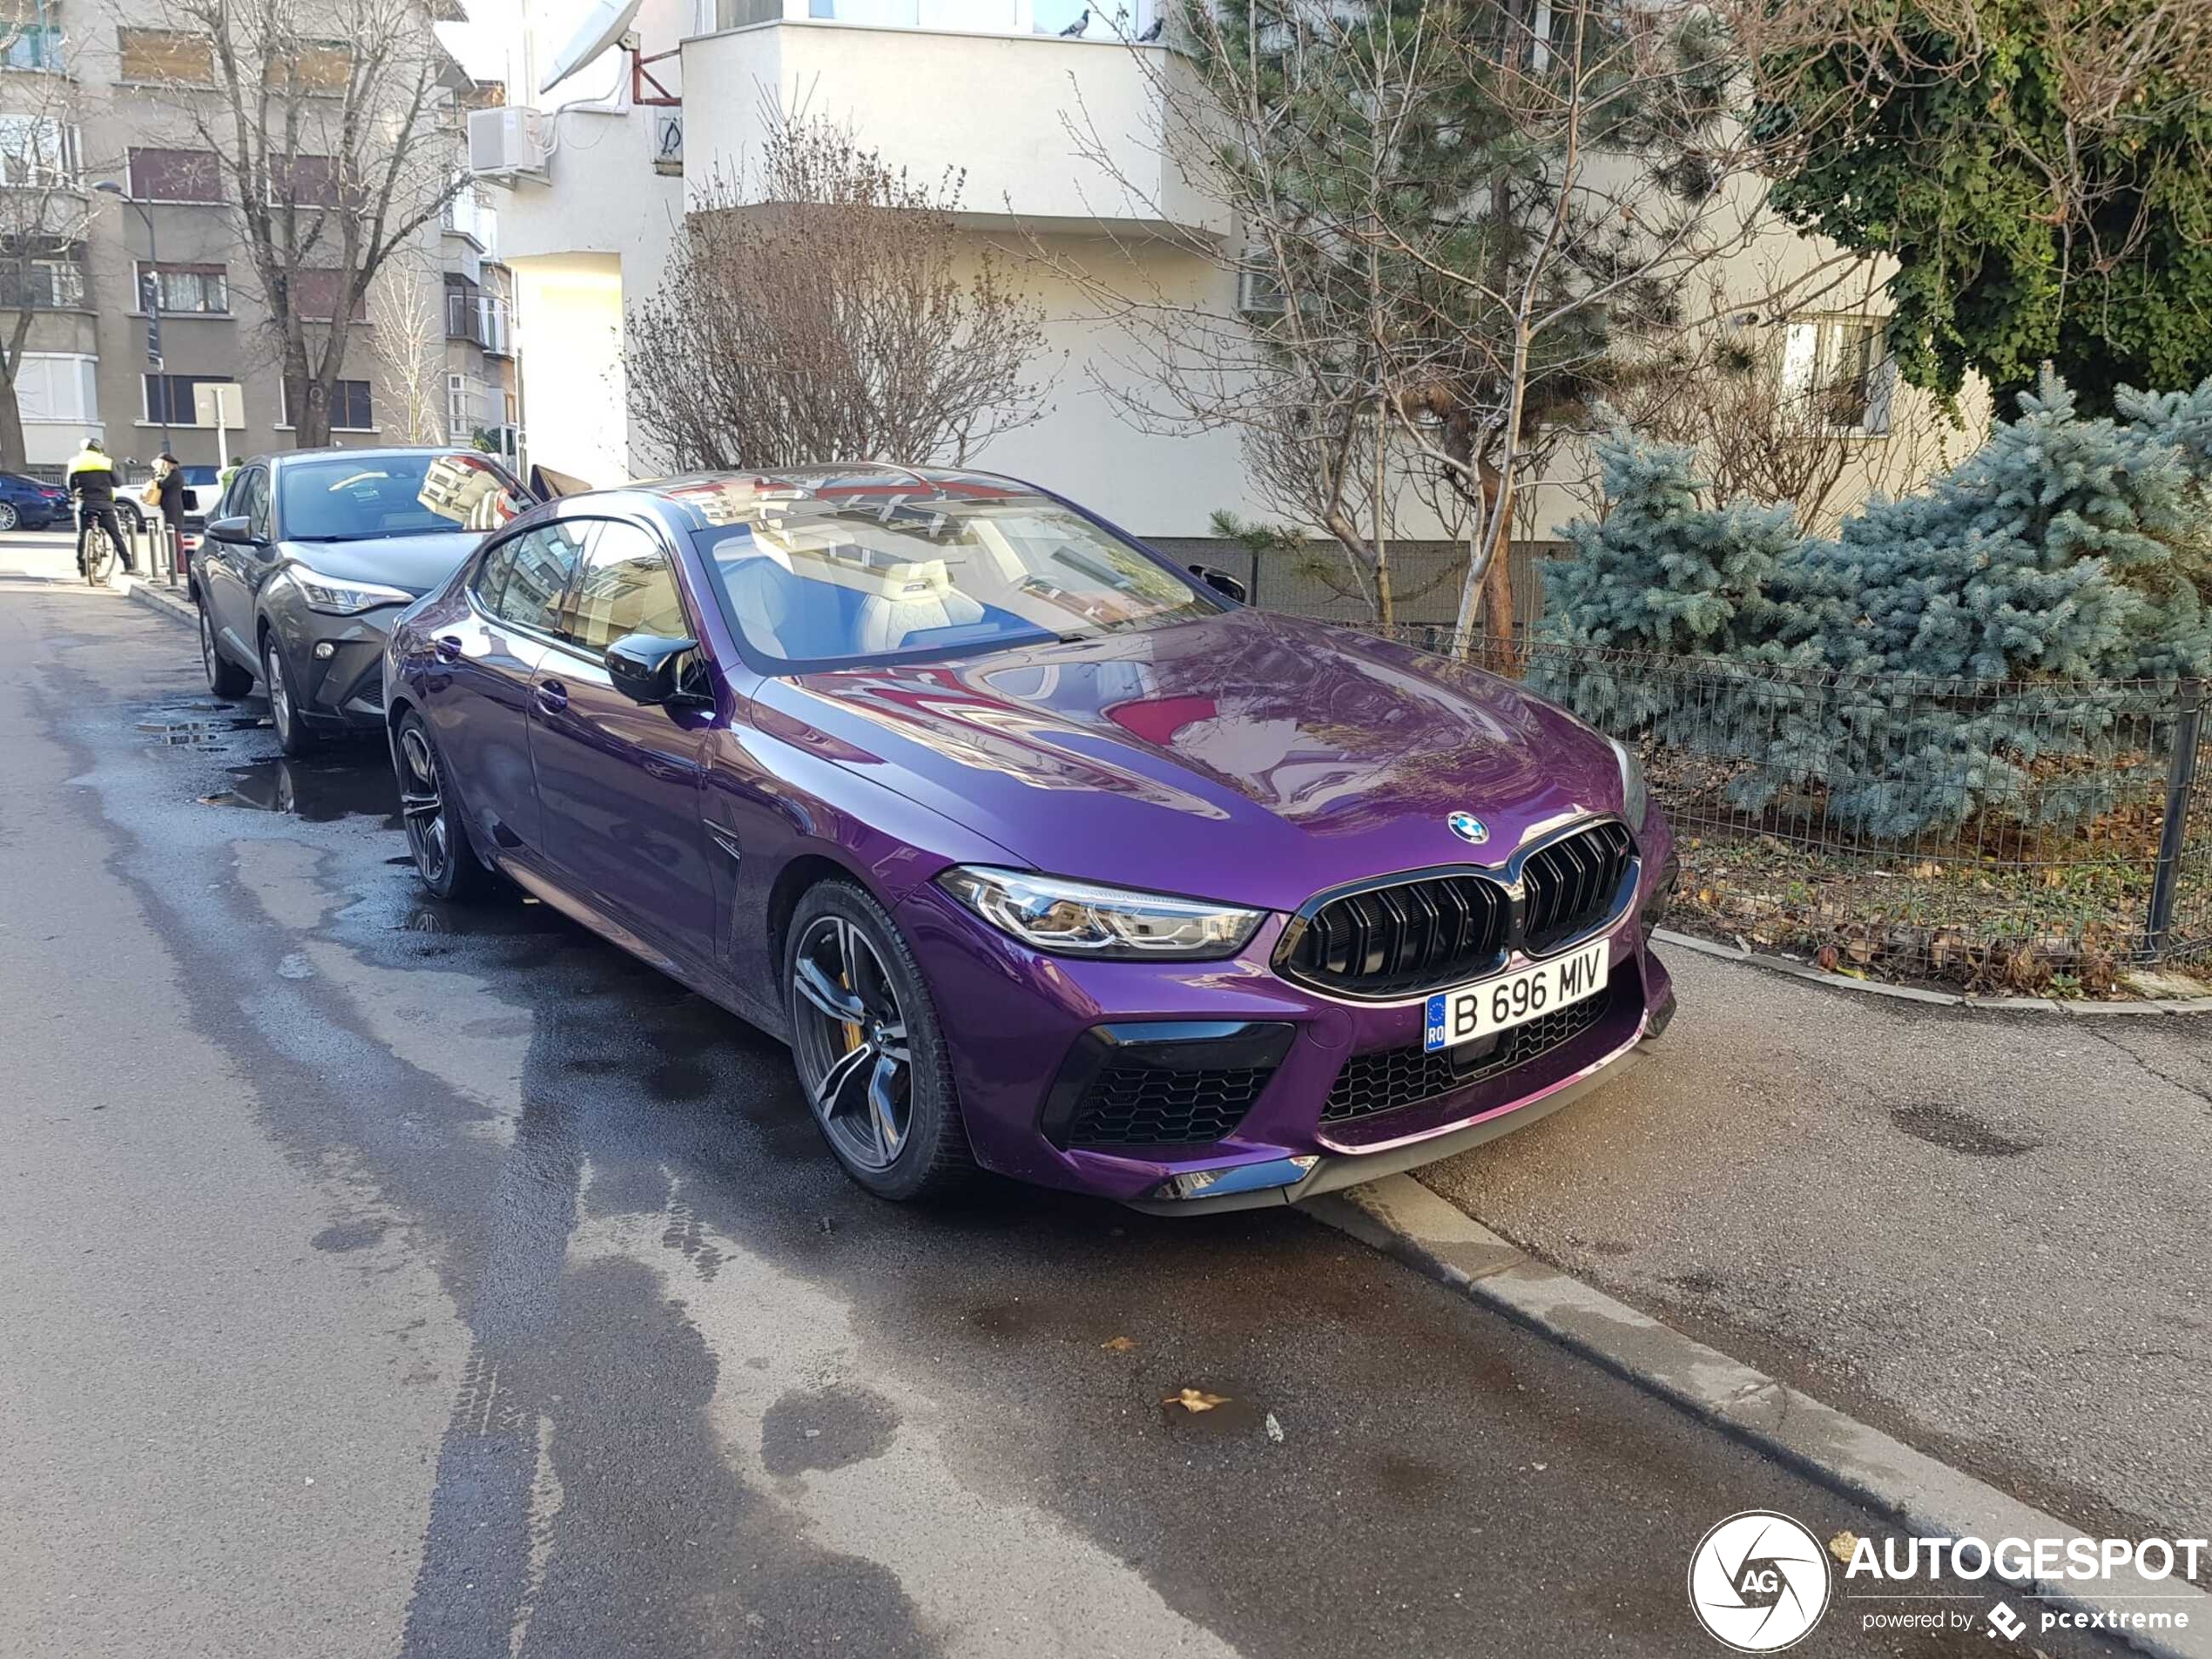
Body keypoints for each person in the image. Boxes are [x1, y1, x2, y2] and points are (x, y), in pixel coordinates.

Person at [65, 437, 133, 577]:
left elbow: (69, 485)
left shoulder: (74, 462)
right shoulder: (107, 462)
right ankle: (128, 564)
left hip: (84, 503)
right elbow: (119, 483)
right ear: (99, 448)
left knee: (82, 535)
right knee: (116, 535)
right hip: (105, 504)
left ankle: (82, 568)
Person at [153, 453, 187, 575]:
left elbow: (162, 484)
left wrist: (158, 476)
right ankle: (176, 566)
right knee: (174, 539)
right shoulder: (175, 474)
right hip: (172, 507)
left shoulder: (175, 475)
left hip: (173, 508)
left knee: (176, 539)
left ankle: (180, 567)